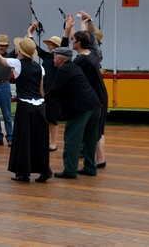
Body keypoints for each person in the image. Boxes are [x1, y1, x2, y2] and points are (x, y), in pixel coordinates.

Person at [0, 37, 52, 182]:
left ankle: (23, 172)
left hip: (25, 106)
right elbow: (41, 88)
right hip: (39, 105)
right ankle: (44, 170)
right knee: (40, 139)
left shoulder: (17, 63)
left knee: (24, 138)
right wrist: (43, 105)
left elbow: (1, 60)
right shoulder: (40, 67)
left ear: (20, 50)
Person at [45, 47, 101, 179]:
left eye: (54, 57)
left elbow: (55, 90)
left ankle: (70, 170)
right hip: (94, 105)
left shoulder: (63, 70)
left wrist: (42, 102)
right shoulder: (74, 67)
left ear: (59, 58)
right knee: (89, 139)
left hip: (80, 108)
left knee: (72, 139)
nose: (53, 59)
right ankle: (90, 167)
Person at [68, 12, 108, 169]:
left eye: (74, 40)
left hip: (94, 96)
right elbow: (83, 36)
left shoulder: (82, 59)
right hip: (100, 93)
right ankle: (100, 159)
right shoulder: (92, 52)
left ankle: (100, 160)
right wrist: (78, 24)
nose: (73, 41)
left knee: (95, 130)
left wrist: (73, 26)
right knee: (98, 129)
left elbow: (83, 36)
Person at [27, 22, 68, 151]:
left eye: (52, 45)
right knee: (43, 117)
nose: (49, 47)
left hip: (54, 91)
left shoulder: (60, 57)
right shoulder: (46, 57)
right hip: (43, 90)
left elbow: (65, 43)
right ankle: (44, 140)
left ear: (57, 47)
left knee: (52, 117)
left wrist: (67, 29)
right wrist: (30, 31)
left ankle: (54, 142)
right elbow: (34, 46)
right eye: (49, 45)